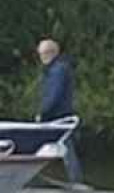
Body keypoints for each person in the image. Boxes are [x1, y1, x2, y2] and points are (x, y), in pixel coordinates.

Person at [36, 38, 84, 185]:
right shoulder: (56, 69)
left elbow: (54, 95)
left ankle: (76, 181)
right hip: (58, 115)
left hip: (57, 117)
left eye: (43, 54)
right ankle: (73, 180)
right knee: (64, 149)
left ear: (51, 53)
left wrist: (43, 113)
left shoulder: (58, 71)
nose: (41, 57)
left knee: (65, 149)